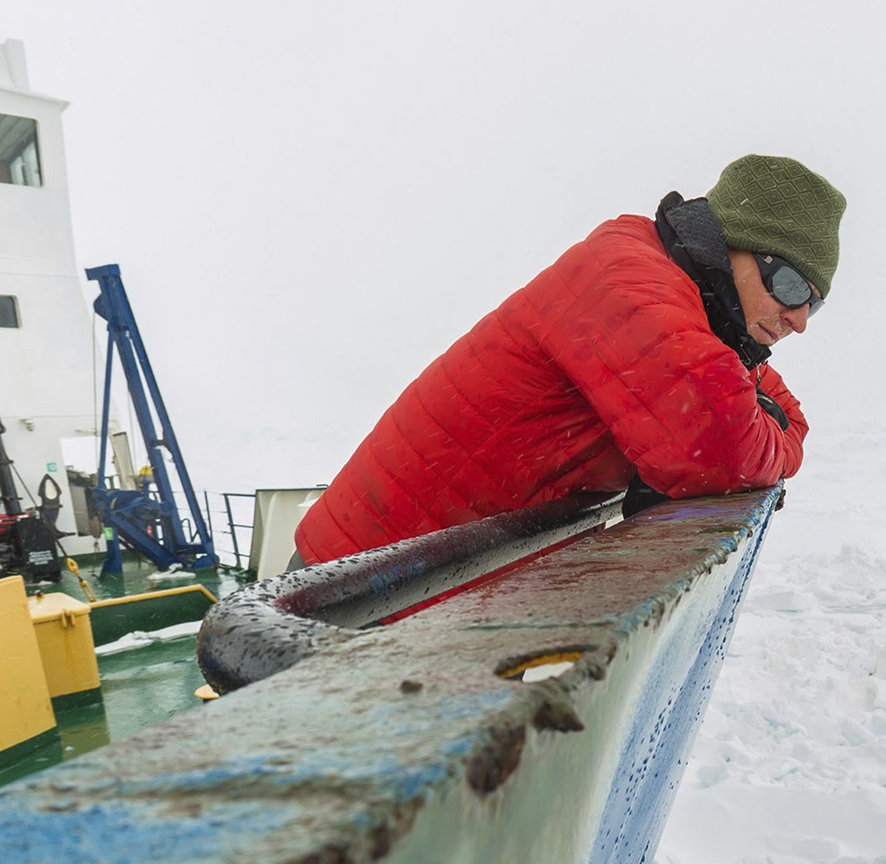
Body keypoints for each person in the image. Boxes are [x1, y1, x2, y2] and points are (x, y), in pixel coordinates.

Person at [293, 154, 843, 564]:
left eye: (814, 306)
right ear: (734, 246)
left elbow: (787, 416)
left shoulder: (699, 318)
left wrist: (759, 417)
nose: (797, 319)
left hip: (436, 575)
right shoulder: (634, 287)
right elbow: (722, 450)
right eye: (791, 286)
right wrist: (756, 420)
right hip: (355, 586)